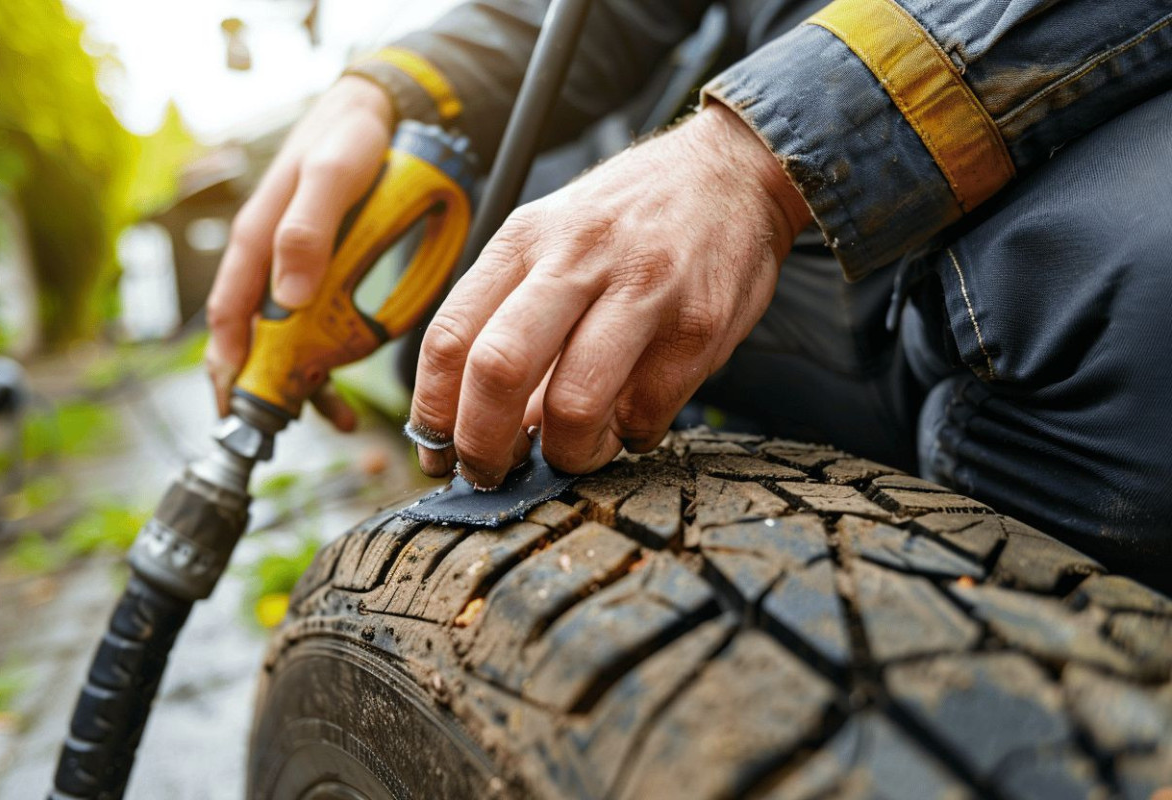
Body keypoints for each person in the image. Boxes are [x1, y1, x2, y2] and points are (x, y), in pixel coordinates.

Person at [204, 0, 1172, 581]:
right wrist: (400, 84)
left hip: (1077, 155)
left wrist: (764, 153)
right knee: (473, 310)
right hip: (789, 164)